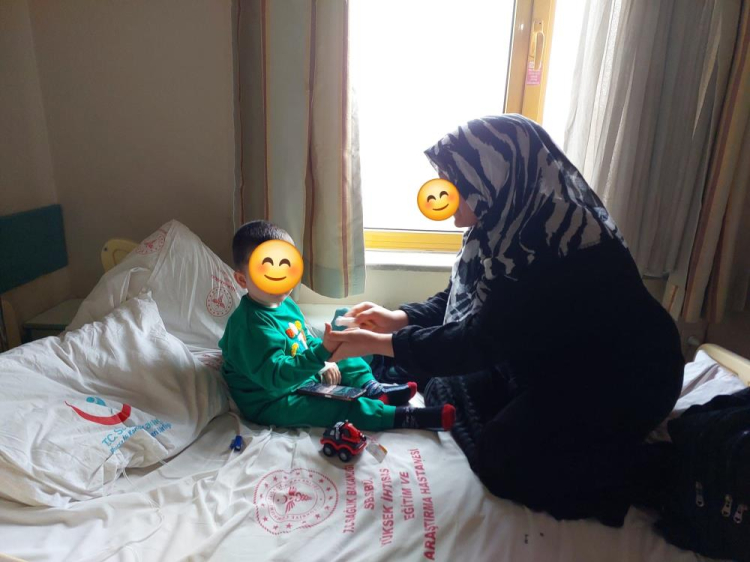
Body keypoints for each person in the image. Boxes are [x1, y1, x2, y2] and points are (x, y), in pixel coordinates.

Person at [327, 114, 684, 525]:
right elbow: (462, 300)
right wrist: (398, 318)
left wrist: (379, 343)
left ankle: (650, 473)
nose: (443, 196)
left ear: (491, 178)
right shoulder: (503, 226)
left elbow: (476, 341)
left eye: (454, 184)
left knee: (501, 460)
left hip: (624, 380)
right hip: (554, 359)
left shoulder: (557, 245)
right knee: (441, 383)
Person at [218, 220, 456, 432]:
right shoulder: (249, 327)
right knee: (335, 408)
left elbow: (303, 340)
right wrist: (321, 356)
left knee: (344, 343)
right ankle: (401, 417)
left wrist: (325, 359)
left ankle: (372, 387)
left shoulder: (285, 303)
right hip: (273, 399)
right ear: (242, 279)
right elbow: (277, 377)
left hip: (299, 375)